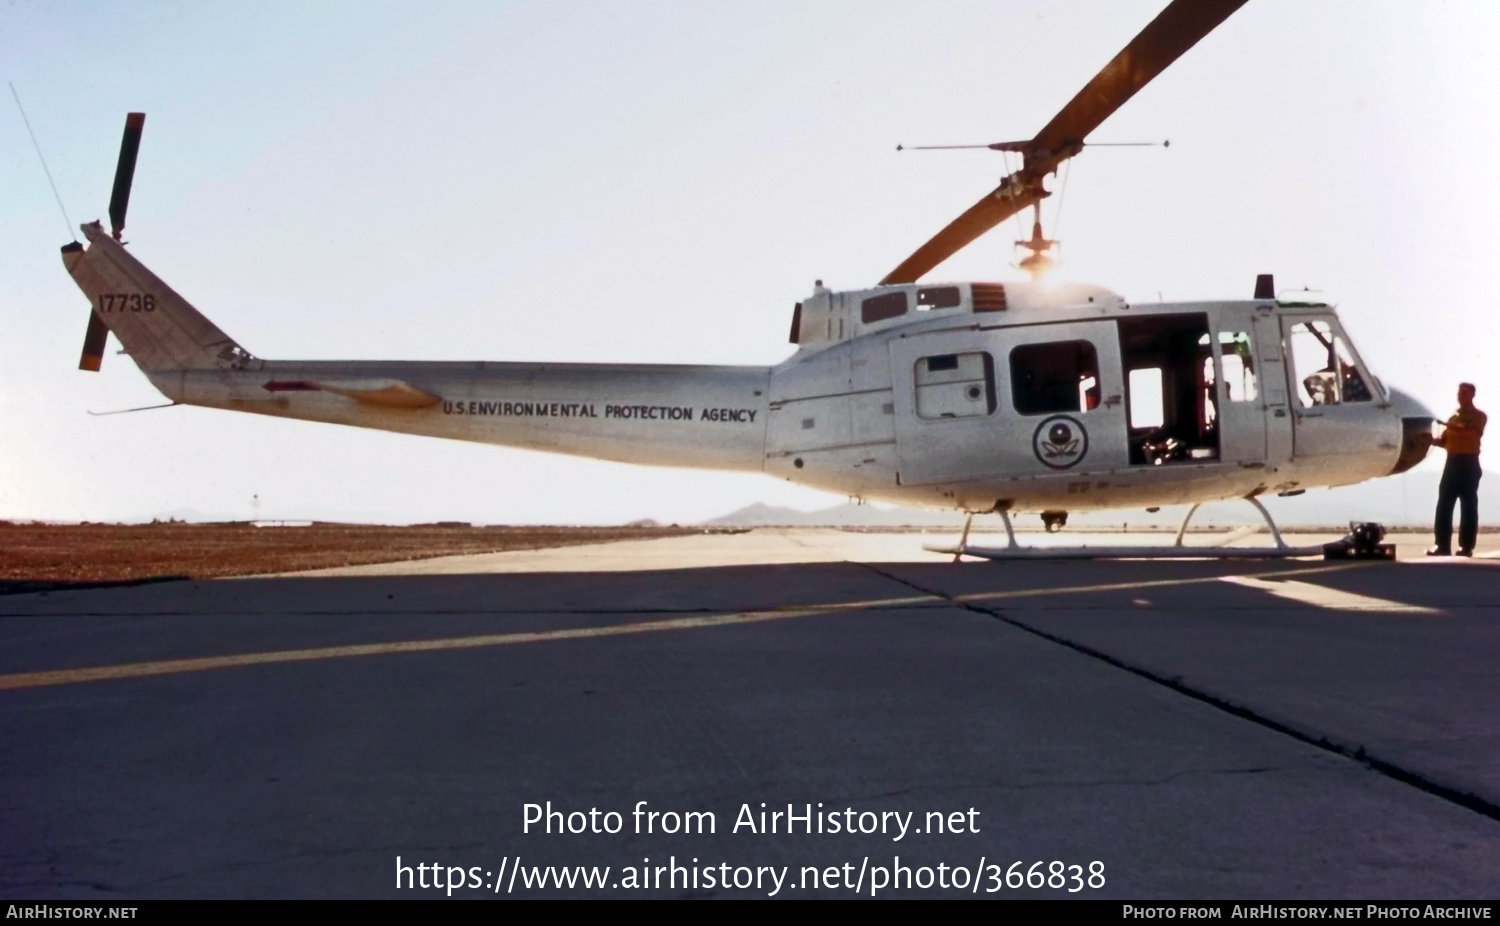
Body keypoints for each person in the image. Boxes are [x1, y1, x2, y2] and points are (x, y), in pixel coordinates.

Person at [1429, 382, 1487, 557]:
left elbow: (1472, 433)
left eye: (1464, 393)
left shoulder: (1479, 416)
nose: (1460, 396)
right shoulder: (1453, 418)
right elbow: (1444, 441)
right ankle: (1442, 545)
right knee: (1444, 504)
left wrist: (1451, 427)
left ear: (1472, 395)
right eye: (1459, 393)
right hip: (1452, 463)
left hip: (1468, 463)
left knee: (1468, 505)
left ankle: (1466, 547)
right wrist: (1429, 440)